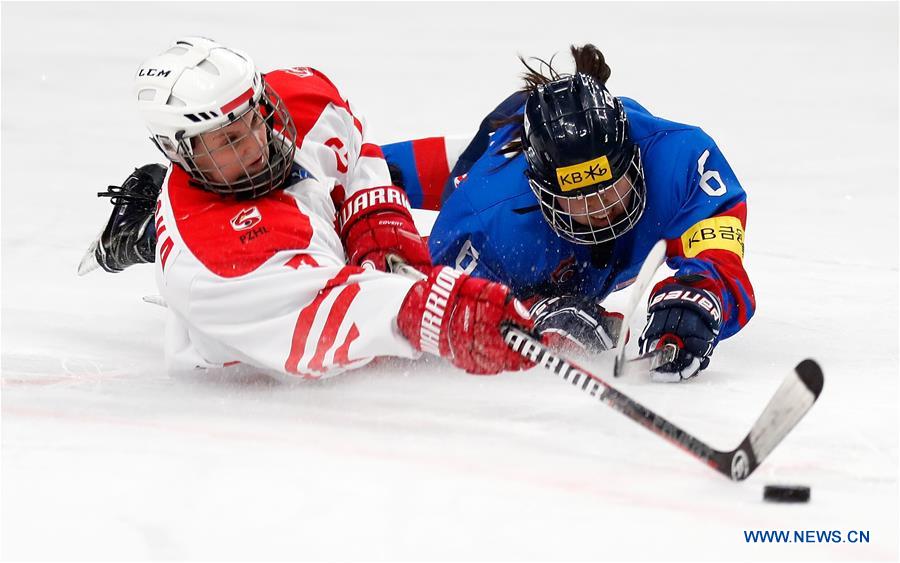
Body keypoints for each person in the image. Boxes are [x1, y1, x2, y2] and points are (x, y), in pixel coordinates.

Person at [82, 36, 534, 380]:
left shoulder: (301, 103)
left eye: (253, 118)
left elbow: (354, 155)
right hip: (250, 330)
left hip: (298, 240)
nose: (256, 143)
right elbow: (325, 319)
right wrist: (428, 311)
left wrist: (375, 219)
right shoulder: (211, 267)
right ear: (181, 153)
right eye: (229, 141)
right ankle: (143, 229)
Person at [385, 44, 755, 382]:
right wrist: (530, 308)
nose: (601, 207)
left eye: (609, 185)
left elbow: (720, 253)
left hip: (515, 166)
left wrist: (703, 295)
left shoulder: (682, 163)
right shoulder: (486, 224)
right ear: (541, 191)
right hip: (492, 175)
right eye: (579, 197)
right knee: (369, 173)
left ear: (633, 156)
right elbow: (427, 296)